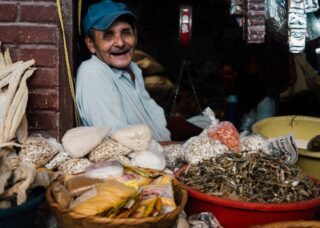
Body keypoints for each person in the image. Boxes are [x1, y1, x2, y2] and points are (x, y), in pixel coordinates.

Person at [76, 0, 171, 141]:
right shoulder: (93, 73)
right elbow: (119, 140)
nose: (120, 43)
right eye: (108, 35)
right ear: (91, 44)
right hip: (135, 162)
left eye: (126, 33)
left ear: (135, 36)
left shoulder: (134, 69)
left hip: (159, 156)